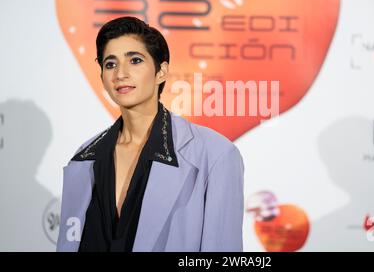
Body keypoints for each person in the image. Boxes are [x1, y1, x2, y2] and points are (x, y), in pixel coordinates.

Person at [56, 16, 244, 252]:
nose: (120, 74)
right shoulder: (84, 158)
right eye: (110, 64)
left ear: (161, 72)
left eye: (135, 60)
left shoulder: (215, 154)